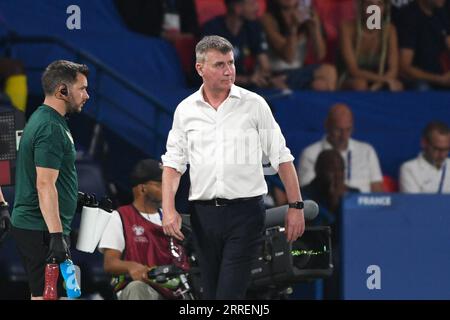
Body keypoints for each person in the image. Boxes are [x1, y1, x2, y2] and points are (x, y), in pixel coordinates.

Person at [161, 35, 305, 300]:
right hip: (203, 217)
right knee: (211, 296)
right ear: (200, 68)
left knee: (229, 295)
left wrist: (296, 206)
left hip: (245, 214)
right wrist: (169, 210)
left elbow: (282, 157)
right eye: (219, 64)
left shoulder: (255, 105)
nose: (229, 71)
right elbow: (173, 164)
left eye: (231, 63)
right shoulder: (185, 110)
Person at [10, 60, 89, 300]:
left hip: (42, 227)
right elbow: (44, 184)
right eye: (82, 88)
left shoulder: (48, 119)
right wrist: (56, 237)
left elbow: (45, 179)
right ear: (62, 91)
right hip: (41, 229)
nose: (87, 95)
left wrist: (76, 197)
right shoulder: (50, 127)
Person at [98, 159, 188, 300]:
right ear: (142, 188)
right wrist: (131, 266)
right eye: (160, 183)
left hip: (173, 290)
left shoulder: (172, 218)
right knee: (137, 288)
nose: (167, 188)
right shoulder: (120, 217)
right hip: (141, 288)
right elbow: (110, 263)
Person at [301, 149, 359, 300]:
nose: (337, 174)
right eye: (331, 169)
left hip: (350, 247)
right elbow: (311, 232)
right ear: (318, 170)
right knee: (335, 258)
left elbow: (358, 229)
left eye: (340, 169)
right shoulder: (305, 195)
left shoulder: (353, 194)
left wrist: (341, 201)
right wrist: (333, 204)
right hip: (316, 248)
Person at [202, 0, 288, 90]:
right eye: (252, 3)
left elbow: (265, 66)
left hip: (245, 86)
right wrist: (248, 80)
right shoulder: (212, 30)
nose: (257, 7)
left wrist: (269, 79)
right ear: (237, 8)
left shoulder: (254, 27)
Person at [298, 103, 384, 193]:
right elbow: (308, 193)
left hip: (362, 206)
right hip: (325, 205)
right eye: (338, 130)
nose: (343, 136)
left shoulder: (367, 151)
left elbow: (377, 193)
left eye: (348, 129)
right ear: (327, 125)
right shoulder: (310, 154)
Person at [260, 0, 337, 90]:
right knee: (327, 73)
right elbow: (288, 57)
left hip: (297, 72)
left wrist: (315, 27)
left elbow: (320, 55)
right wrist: (293, 28)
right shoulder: (267, 19)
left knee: (324, 80)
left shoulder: (305, 13)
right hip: (276, 74)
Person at [338, 0, 403, 91]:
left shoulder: (390, 30)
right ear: (361, 6)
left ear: (385, 8)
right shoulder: (347, 28)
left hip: (379, 79)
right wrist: (384, 80)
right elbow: (353, 70)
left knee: (397, 87)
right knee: (360, 84)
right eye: (370, 4)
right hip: (350, 79)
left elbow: (393, 69)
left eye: (379, 4)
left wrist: (379, 84)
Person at [396, 0, 450, 90]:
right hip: (419, 80)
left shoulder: (441, 12)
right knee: (422, 88)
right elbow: (405, 67)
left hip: (442, 75)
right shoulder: (409, 16)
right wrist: (439, 79)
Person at [399, 121, 450, 193]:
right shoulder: (409, 169)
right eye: (437, 149)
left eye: (446, 149)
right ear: (424, 143)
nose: (442, 155)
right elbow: (413, 203)